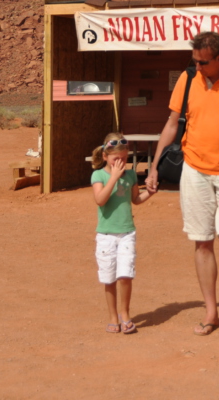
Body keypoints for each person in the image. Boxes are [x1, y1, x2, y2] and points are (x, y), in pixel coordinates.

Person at [148, 31, 219, 335]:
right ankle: (211, 311)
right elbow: (172, 123)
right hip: (195, 170)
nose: (197, 67)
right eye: (194, 61)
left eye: (203, 62)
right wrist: (154, 166)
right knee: (202, 240)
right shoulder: (188, 80)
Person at [91, 132, 156, 334]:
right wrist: (114, 177)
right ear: (105, 157)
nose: (120, 162)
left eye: (124, 158)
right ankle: (113, 317)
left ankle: (125, 314)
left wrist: (149, 193)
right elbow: (100, 199)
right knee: (109, 278)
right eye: (116, 158)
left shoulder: (131, 175)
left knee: (125, 275)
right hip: (106, 235)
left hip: (127, 232)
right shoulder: (99, 175)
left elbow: (135, 199)